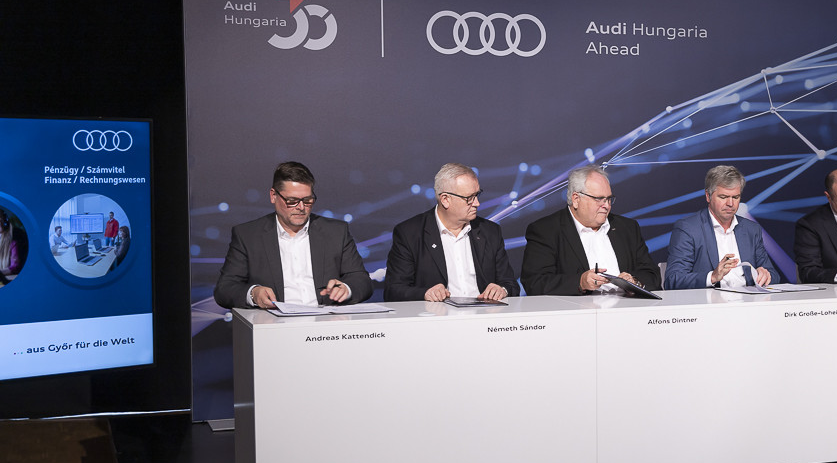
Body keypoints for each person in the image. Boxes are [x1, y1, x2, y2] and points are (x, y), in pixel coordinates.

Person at [213, 161, 372, 309]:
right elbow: (225, 289)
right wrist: (253, 293)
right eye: (292, 201)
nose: (301, 207)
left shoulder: (336, 232)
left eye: (308, 200)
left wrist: (346, 289)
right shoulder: (248, 235)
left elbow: (362, 281)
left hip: (326, 322)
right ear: (273, 196)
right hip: (275, 323)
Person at [384, 163, 519, 302]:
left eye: (477, 195)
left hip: (484, 313)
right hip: (436, 314)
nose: (477, 203)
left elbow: (511, 285)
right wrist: (425, 294)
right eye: (469, 198)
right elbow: (393, 290)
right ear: (445, 200)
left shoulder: (490, 231)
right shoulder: (410, 233)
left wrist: (502, 290)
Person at [521, 165, 660, 295]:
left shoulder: (627, 228)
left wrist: (634, 281)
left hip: (628, 308)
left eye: (609, 199)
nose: (606, 206)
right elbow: (535, 282)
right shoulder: (546, 230)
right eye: (599, 199)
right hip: (577, 310)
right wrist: (580, 282)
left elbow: (652, 275)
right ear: (576, 199)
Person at [664, 165, 781, 289]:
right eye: (723, 197)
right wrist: (713, 277)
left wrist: (765, 275)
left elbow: (774, 275)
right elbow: (673, 280)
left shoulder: (752, 229)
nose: (730, 203)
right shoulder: (688, 229)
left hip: (748, 299)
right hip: (709, 300)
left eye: (735, 197)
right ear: (708, 196)